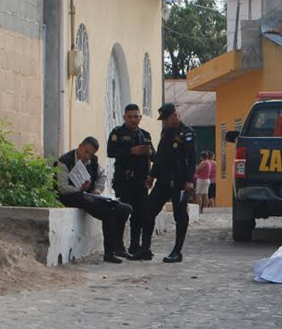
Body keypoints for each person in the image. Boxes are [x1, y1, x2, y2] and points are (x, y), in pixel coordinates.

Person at [55, 136, 131, 264]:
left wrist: (97, 190)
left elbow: (103, 175)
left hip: (90, 196)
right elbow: (62, 187)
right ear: (80, 146)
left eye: (91, 154)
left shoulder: (92, 161)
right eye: (86, 152)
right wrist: (79, 189)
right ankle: (109, 253)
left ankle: (118, 246)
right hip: (72, 196)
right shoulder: (64, 161)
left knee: (126, 209)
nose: (88, 156)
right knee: (108, 213)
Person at [139, 103, 198, 263]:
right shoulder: (166, 132)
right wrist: (152, 175)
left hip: (179, 180)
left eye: (166, 119)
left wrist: (189, 181)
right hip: (164, 179)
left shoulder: (187, 133)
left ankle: (177, 251)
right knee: (148, 210)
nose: (164, 122)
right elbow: (161, 157)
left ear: (174, 116)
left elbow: (192, 160)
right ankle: (145, 249)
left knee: (180, 214)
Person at [106, 103, 153, 259]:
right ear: (124, 117)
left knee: (139, 214)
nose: (133, 120)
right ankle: (119, 246)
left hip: (141, 181)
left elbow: (154, 155)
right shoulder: (117, 133)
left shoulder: (145, 135)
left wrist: (150, 152)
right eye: (130, 117)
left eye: (136, 116)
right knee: (123, 213)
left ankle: (135, 245)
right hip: (124, 180)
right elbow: (111, 152)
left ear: (140, 117)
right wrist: (131, 151)